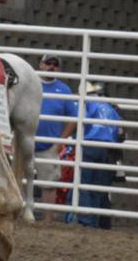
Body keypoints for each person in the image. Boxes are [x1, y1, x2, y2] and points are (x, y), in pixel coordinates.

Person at [69, 82, 122, 229]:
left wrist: (74, 140)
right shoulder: (109, 107)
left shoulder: (86, 102)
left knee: (83, 184)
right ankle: (96, 221)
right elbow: (119, 130)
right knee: (98, 187)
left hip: (90, 145)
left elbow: (80, 121)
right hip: (107, 148)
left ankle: (87, 221)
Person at [34, 53, 77, 214]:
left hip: (49, 145)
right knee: (16, 179)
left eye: (55, 64)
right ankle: (16, 215)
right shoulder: (31, 83)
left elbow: (73, 117)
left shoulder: (64, 89)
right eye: (48, 63)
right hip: (25, 139)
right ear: (41, 65)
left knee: (49, 183)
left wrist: (61, 140)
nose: (51, 66)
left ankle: (47, 221)